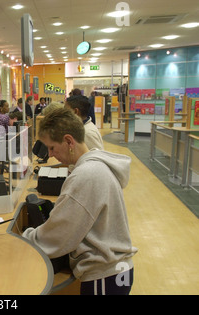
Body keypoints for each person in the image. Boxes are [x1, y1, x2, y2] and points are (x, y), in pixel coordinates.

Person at [22, 108, 137, 295]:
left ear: (68, 141)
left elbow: (58, 235)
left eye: (52, 147)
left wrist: (25, 238)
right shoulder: (94, 166)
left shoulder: (86, 175)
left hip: (104, 276)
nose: (50, 155)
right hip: (115, 272)